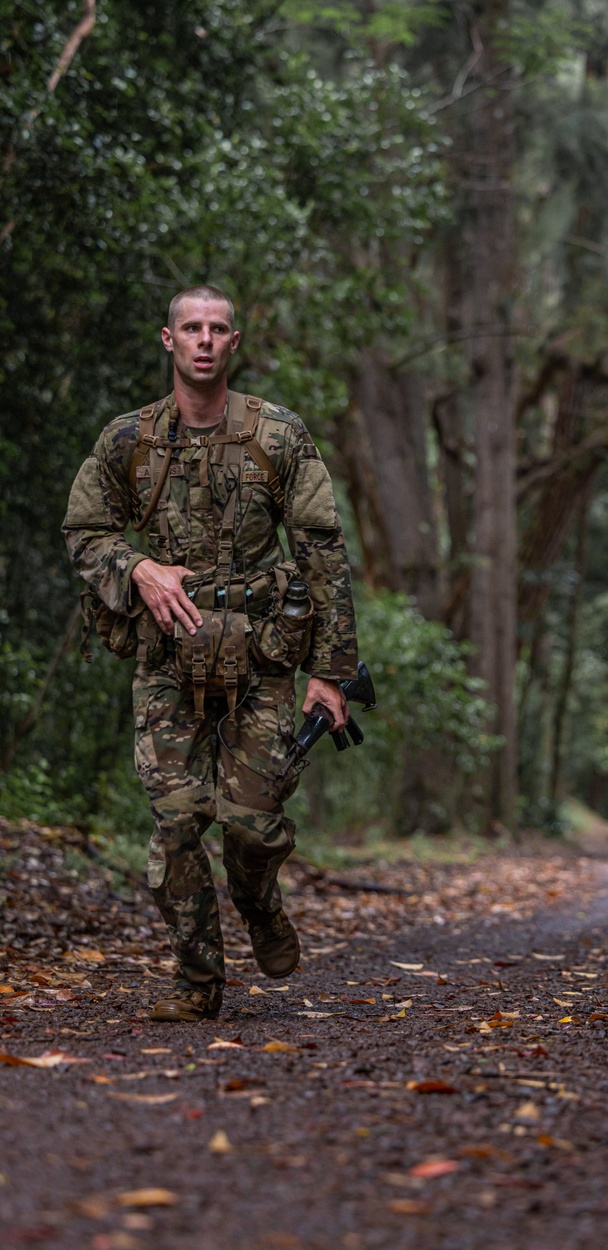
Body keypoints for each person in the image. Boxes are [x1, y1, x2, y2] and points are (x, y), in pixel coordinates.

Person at [63, 285, 358, 1023]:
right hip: (167, 658)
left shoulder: (279, 435)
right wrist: (137, 568)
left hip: (260, 657)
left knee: (253, 826)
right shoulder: (128, 440)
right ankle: (197, 983)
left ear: (234, 342)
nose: (202, 340)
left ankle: (258, 904)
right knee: (176, 823)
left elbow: (322, 554)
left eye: (216, 329)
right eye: (189, 328)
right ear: (168, 340)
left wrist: (331, 672)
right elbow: (84, 531)